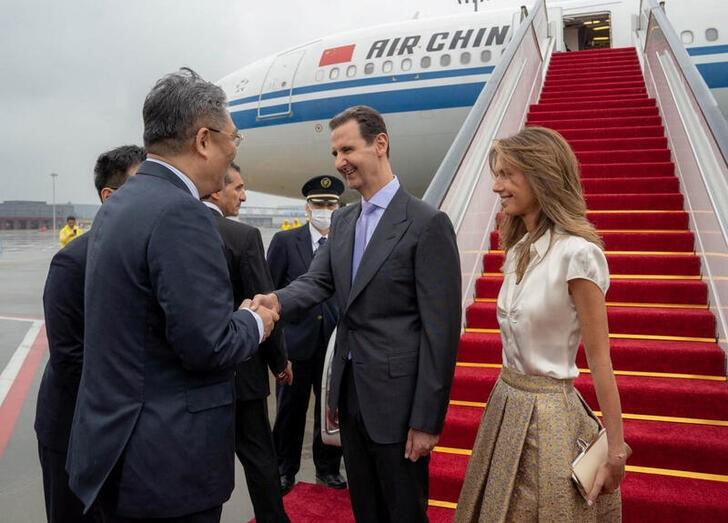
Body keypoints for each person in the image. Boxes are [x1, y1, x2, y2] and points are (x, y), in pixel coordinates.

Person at [66, 68, 279, 522]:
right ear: (204, 139)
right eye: (233, 140)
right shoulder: (183, 215)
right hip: (166, 466)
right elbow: (208, 345)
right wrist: (253, 322)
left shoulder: (120, 203)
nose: (232, 155)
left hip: (113, 452)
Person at [251, 105, 462, 522]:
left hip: (399, 406)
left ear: (380, 144)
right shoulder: (344, 219)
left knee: (403, 510)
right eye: (334, 153)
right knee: (364, 508)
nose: (338, 162)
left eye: (347, 149)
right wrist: (276, 301)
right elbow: (317, 282)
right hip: (349, 396)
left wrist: (427, 419)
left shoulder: (426, 223)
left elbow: (441, 332)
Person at [453, 126, 627, 522]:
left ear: (541, 174)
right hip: (504, 403)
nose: (497, 186)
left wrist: (616, 452)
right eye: (496, 174)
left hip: (551, 417)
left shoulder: (579, 255)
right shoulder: (516, 251)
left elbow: (601, 361)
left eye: (506, 174)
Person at [35, 145, 145, 523]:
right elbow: (69, 358)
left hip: (126, 428)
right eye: (141, 184)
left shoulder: (149, 253)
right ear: (109, 197)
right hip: (73, 429)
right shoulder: (72, 261)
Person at [202, 162, 291, 523]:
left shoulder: (173, 231)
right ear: (214, 190)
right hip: (244, 374)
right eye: (237, 188)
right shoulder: (242, 237)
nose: (243, 195)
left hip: (197, 378)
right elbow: (264, 304)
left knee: (203, 465)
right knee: (259, 460)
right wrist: (280, 362)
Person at [268, 175, 346, 495]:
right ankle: (284, 470)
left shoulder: (346, 245)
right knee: (289, 412)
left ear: (339, 208)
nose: (325, 209)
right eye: (319, 204)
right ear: (308, 207)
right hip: (295, 346)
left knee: (330, 412)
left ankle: (328, 469)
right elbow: (271, 292)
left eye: (331, 204)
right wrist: (276, 350)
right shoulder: (285, 243)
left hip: (333, 346)